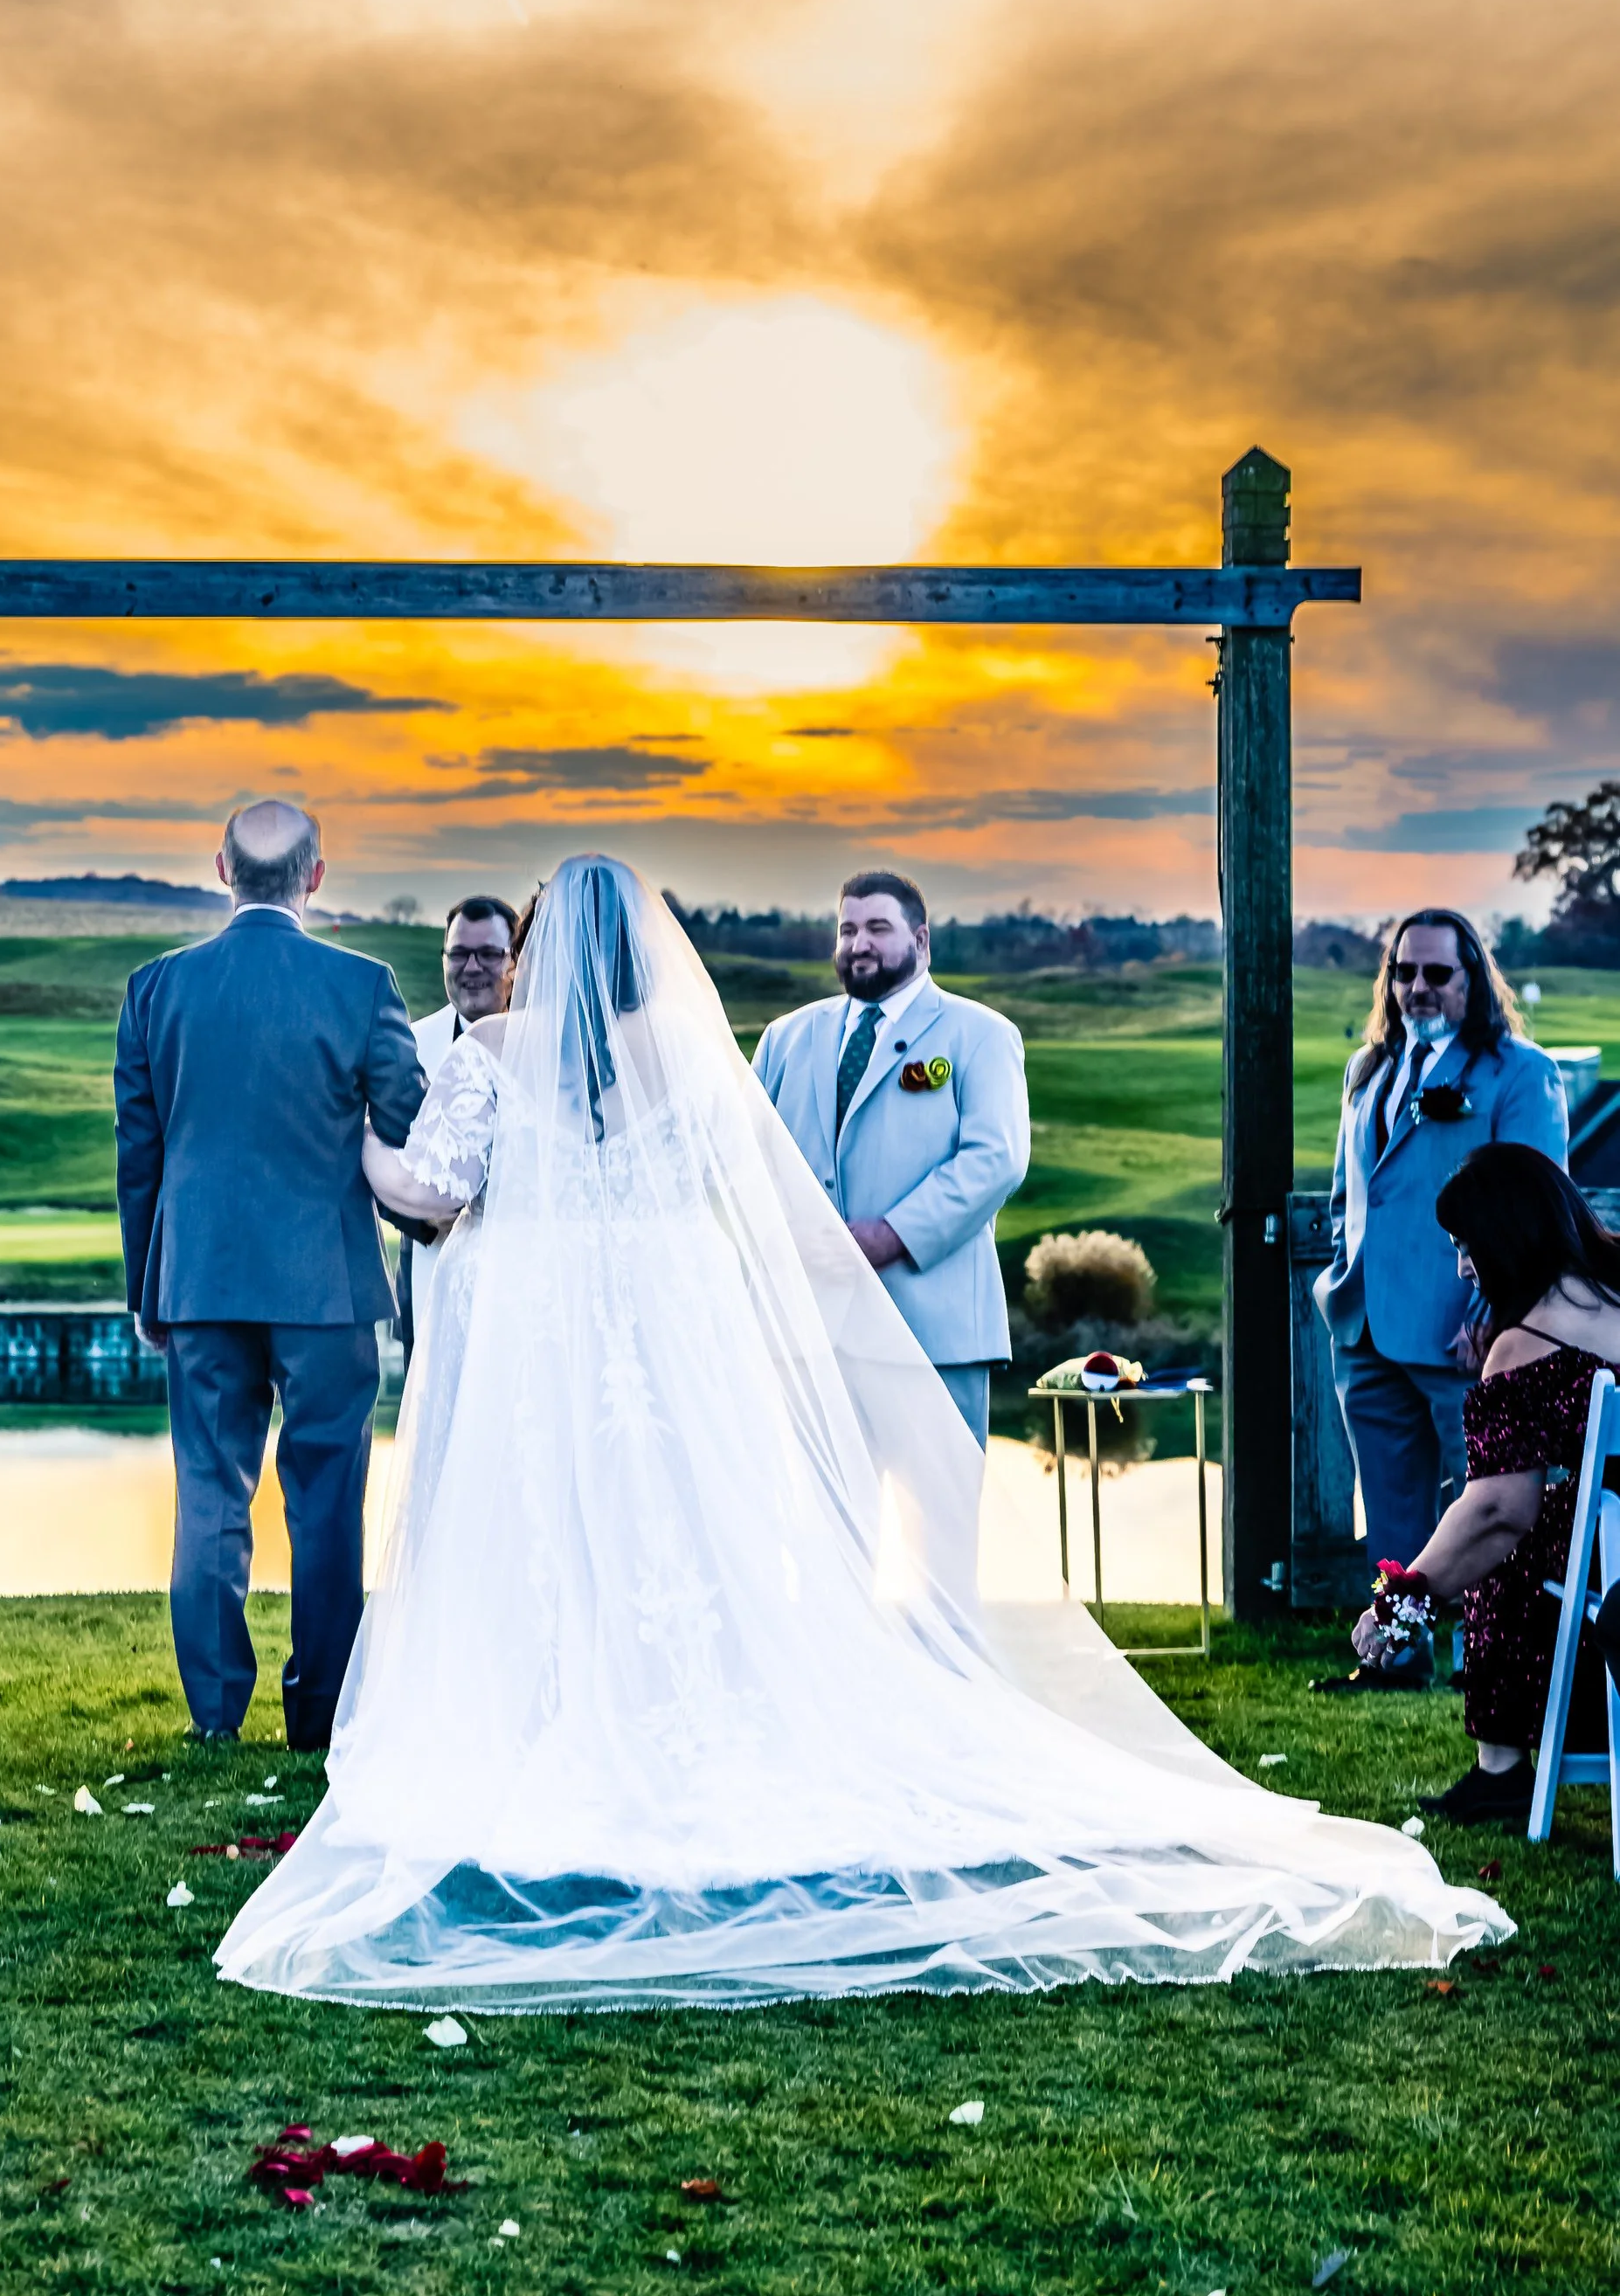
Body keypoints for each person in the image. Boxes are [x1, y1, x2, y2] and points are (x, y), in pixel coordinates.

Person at [214, 855, 1506, 2009]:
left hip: (547, 1340)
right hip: (667, 1338)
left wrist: (349, 1137)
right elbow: (758, 1202)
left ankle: (547, 1731)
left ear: (547, 948)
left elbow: (429, 1194)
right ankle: (693, 1732)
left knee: (550, 1528)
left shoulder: (490, 1054)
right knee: (682, 1532)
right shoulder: (692, 1053)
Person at [114, 800, 425, 1751]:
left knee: (209, 1493)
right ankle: (319, 1711)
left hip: (200, 1281)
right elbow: (411, 1126)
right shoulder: (363, 985)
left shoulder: (156, 990)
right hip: (326, 1284)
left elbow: (140, 1154)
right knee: (326, 1496)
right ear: (315, 877)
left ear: (220, 869)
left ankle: (214, 1717)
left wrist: (146, 1290)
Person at [1317, 909, 1568, 1684]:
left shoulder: (1518, 1072)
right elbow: (1347, 1194)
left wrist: (1491, 1317)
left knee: (1489, 1503)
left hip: (1463, 1329)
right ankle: (1397, 1653)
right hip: (1363, 1324)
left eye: (1436, 973)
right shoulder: (1370, 1069)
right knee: (1390, 1505)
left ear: (1473, 981)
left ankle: (1485, 1661)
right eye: (1403, 972)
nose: (1416, 988)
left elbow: (1532, 1209)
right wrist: (1340, 1269)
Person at [1344, 1145, 1620, 1824]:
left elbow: (1497, 1509)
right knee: (1550, 1513)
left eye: (1467, 1247)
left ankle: (1501, 1768)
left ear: (1505, 1237)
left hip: (1614, 1552)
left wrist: (1403, 1600)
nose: (1463, 1265)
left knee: (1514, 1535)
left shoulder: (1526, 1345)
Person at [750, 868, 1028, 1449]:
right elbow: (749, 1162)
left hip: (933, 1334)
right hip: (810, 1337)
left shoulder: (980, 1035)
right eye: (847, 929)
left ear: (921, 941)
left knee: (941, 1536)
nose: (859, 943)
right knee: (821, 1536)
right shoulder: (784, 1039)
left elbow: (996, 1159)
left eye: (878, 927)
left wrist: (891, 1234)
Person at [398, 897, 517, 1364]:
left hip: (528, 1278)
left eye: (488, 954)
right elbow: (378, 1152)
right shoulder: (410, 1045)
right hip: (433, 1271)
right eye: (458, 954)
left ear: (515, 961)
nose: (471, 968)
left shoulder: (551, 1049)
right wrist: (424, 1217)